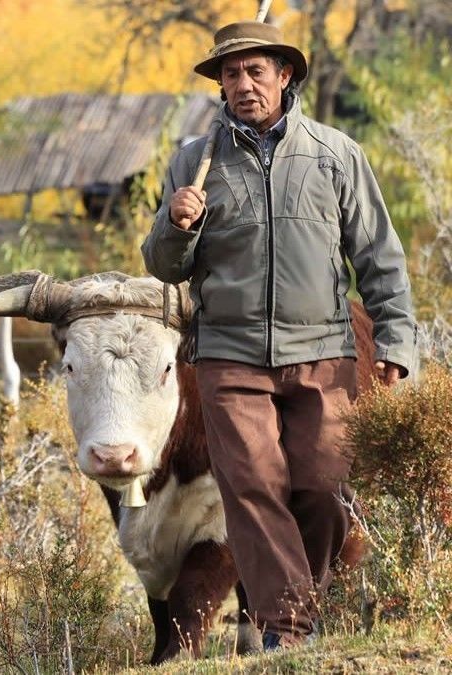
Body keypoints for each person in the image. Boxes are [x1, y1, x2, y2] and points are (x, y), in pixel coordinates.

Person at [141, 20, 417, 650]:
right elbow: (162, 266)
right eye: (230, 74)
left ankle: (299, 605)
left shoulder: (335, 154)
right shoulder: (194, 162)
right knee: (253, 489)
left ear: (285, 74)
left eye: (255, 71)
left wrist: (396, 345)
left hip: (323, 350)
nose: (243, 85)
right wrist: (177, 225)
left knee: (321, 488)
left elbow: (379, 257)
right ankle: (285, 632)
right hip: (228, 356)